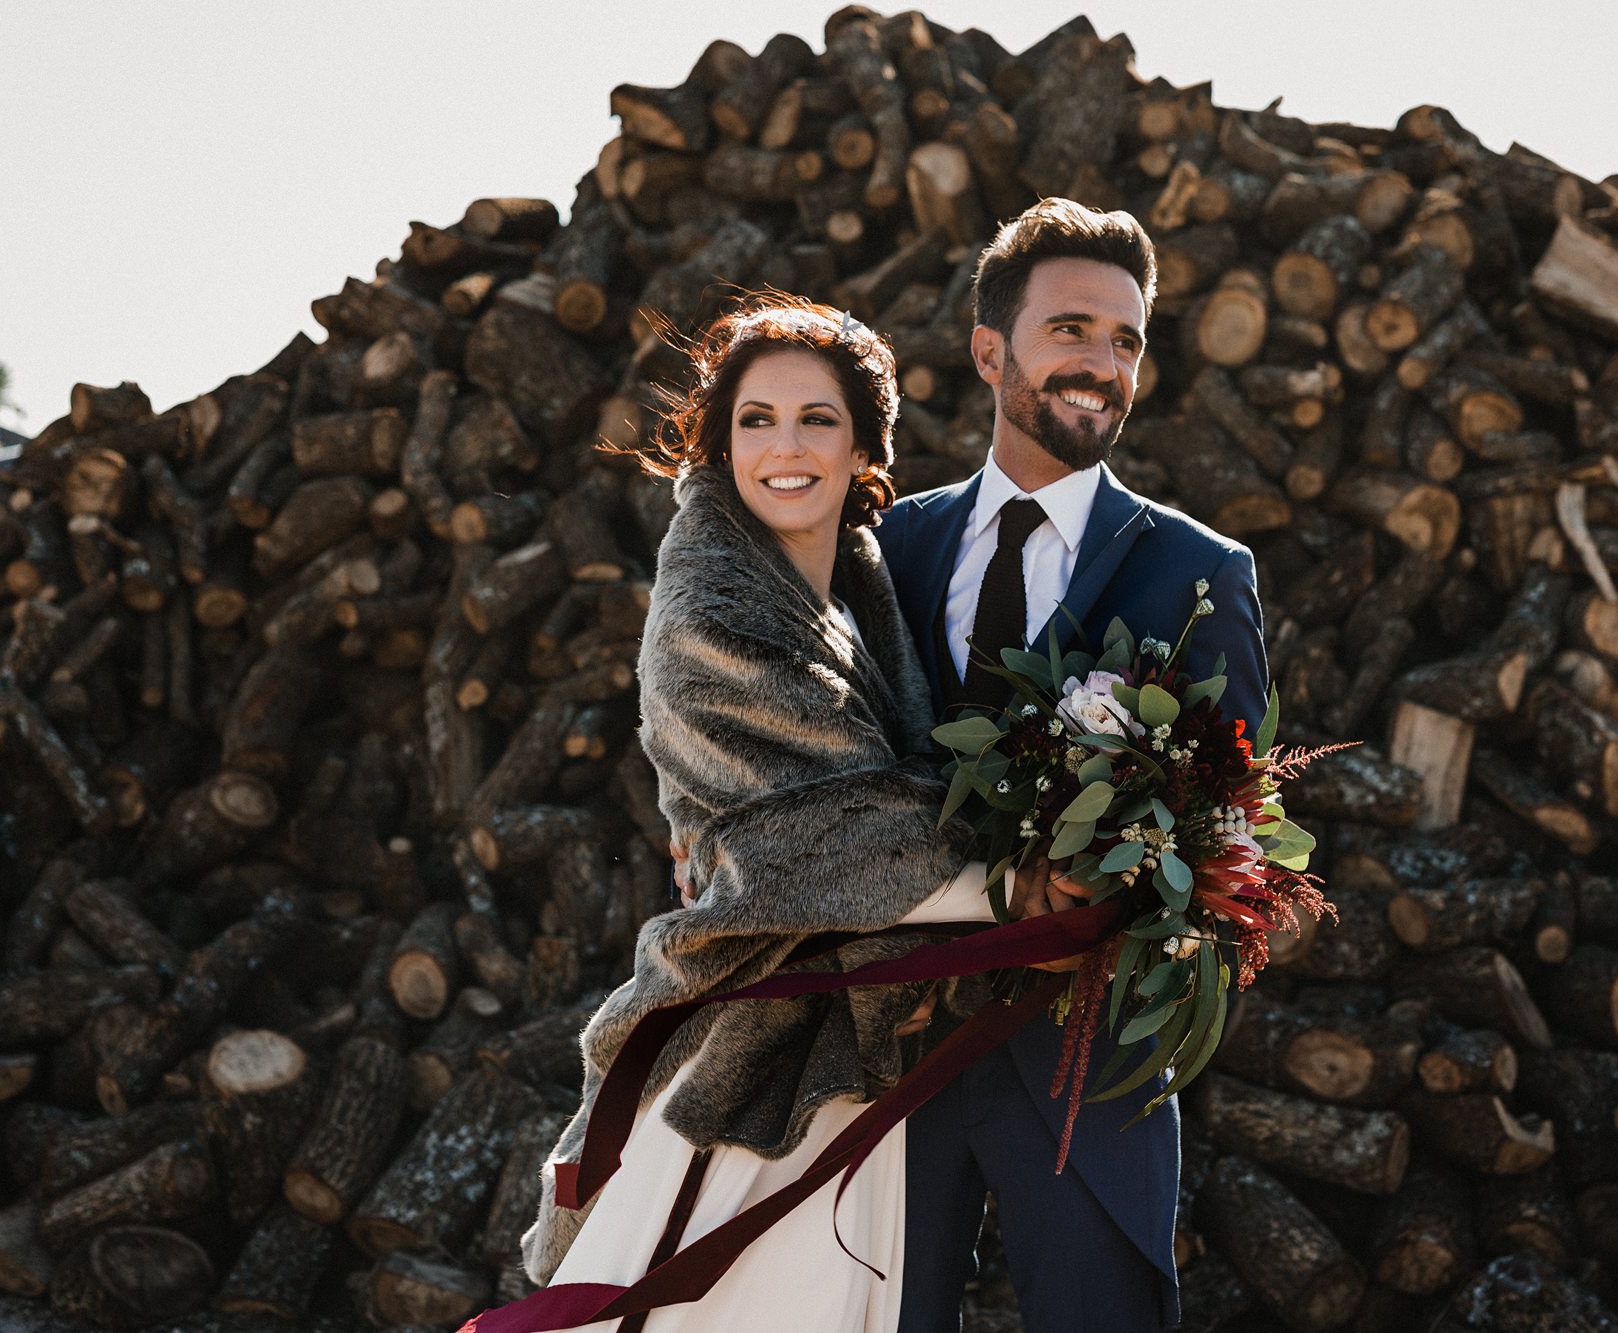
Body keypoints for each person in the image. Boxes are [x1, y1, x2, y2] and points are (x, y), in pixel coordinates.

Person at [516, 296, 1004, 1332]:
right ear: (718, 440)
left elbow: (877, 804)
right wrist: (1035, 880)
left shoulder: (852, 586)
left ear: (865, 443)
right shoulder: (711, 610)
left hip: (850, 1031)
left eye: (816, 419)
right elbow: (833, 841)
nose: (785, 447)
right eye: (754, 419)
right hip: (742, 1035)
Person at [875, 197, 1271, 1332]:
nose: (1101, 364)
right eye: (1070, 332)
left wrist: (1135, 878)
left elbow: (1230, 823)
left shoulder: (1199, 571)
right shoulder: (886, 549)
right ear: (989, 350)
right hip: (886, 1057)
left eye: (1126, 340)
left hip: (1085, 1072)